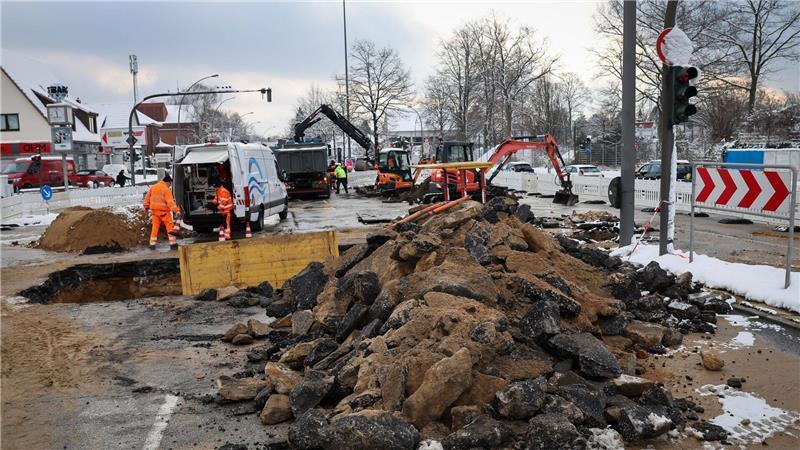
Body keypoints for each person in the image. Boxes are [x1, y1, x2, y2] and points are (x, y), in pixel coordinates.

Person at [143, 173, 180, 250]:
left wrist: (146, 207)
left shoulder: (153, 187)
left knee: (155, 227)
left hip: (154, 212)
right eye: (170, 183)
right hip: (164, 212)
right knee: (170, 227)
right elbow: (170, 202)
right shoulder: (166, 189)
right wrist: (176, 211)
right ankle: (173, 244)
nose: (170, 185)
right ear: (168, 182)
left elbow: (147, 198)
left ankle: (152, 244)